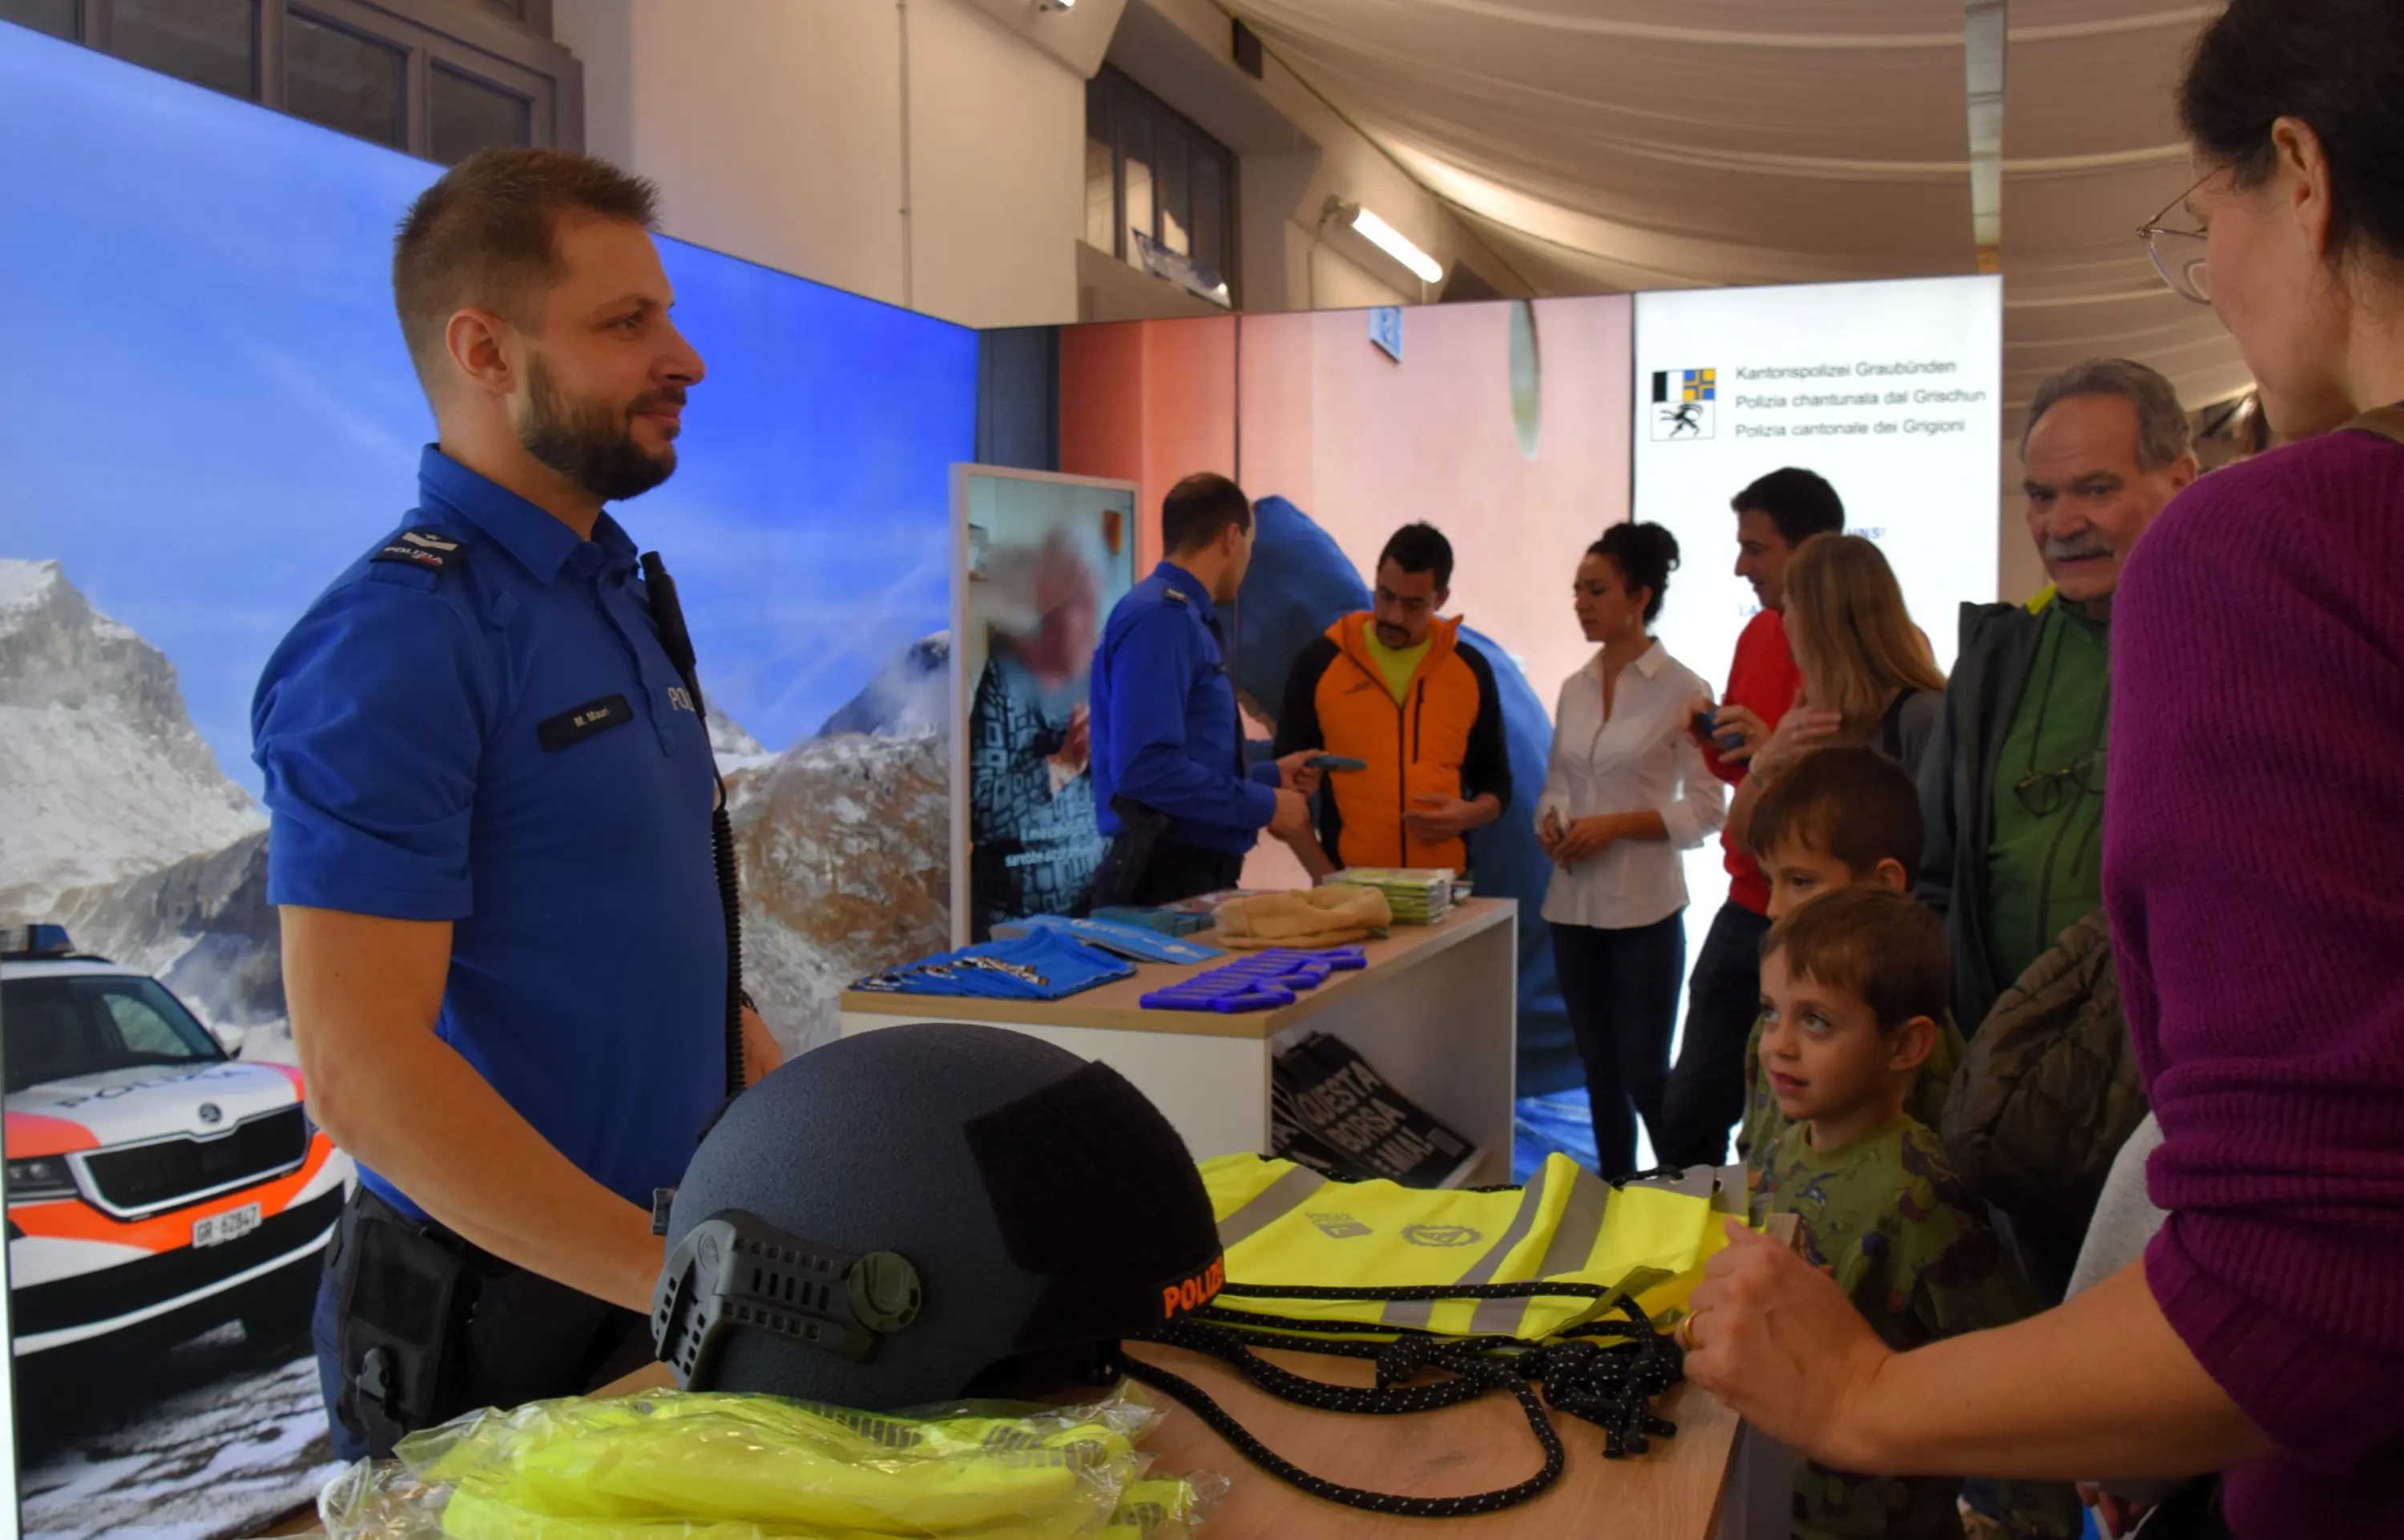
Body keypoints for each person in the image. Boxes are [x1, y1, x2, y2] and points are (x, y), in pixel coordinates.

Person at [1684, 3, 2404, 1532]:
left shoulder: (2275, 551)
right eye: (2040, 494)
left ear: (2299, 174)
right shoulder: (2016, 655)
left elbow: (2303, 1291)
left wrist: (1866, 1397)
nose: (2214, 273)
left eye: (2202, 219)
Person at [251, 150, 783, 1460]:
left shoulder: (610, 594)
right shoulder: (398, 640)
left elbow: (657, 946)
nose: (684, 359)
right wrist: (670, 1277)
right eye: (627, 323)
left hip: (660, 1278)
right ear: (484, 350)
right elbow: (362, 1072)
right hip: (500, 1321)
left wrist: (816, 1154)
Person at [1743, 887, 2077, 1540]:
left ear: (1905, 1046)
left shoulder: (1921, 1198)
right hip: (1781, 1497)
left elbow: (2008, 1382)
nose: (1778, 1044)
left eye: (1816, 1021)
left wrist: (2031, 1522)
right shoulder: (1785, 1149)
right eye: (1771, 1012)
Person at [1917, 359, 2196, 1033]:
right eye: (2041, 497)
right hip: (1995, 1055)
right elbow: (1934, 880)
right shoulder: (1992, 663)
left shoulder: (2247, 648)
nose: (2061, 524)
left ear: (2181, 482)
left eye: (2096, 490)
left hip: (2173, 1058)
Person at [1656, 467, 1843, 1171]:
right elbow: (1743, 773)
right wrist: (1718, 740)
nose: (1741, 567)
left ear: (1811, 550)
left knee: (1789, 1127)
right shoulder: (1759, 632)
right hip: (1744, 905)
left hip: (1820, 918)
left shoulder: (1856, 650)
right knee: (1688, 1110)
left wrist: (1773, 756)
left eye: (1756, 549)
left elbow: (1862, 800)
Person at [1535, 522, 1724, 1176]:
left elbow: (1708, 809)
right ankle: (1615, 1194)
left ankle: (1688, 1194)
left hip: (1644, 909)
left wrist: (1614, 826)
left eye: (1597, 590)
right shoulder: (1575, 686)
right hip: (1573, 907)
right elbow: (1557, 783)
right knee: (1598, 1071)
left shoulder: (1684, 688)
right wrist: (1551, 824)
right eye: (1577, 590)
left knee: (1646, 1072)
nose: (1582, 603)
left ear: (1639, 597)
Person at [1087, 473, 1319, 905]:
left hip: (1187, 873)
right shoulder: (1163, 619)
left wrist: (1271, 774)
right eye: (1250, 544)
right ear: (1231, 538)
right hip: (1165, 877)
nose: (1248, 560)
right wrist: (1265, 804)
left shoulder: (1179, 616)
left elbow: (1190, 754)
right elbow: (1147, 768)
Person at [1732, 746, 1963, 1167]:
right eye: (1770, 882)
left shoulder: (1903, 1027)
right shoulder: (1782, 1009)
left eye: (1801, 881)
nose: (1774, 909)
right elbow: (1758, 1142)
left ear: (1884, 883)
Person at [1272, 522, 1512, 879]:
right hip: (1349, 886)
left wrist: (1468, 815)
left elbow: (1496, 785)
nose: (1393, 616)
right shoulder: (1320, 663)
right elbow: (1283, 787)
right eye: (1385, 596)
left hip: (1445, 890)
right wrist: (1327, 879)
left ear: (1441, 599)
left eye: (1413, 604)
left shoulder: (1470, 670)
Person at [1722, 532, 1948, 858]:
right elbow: (1749, 839)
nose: (1783, 622)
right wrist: (1768, 759)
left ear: (1819, 621)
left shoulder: (1922, 716)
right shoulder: (1811, 718)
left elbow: (1939, 853)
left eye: (1788, 605)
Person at [967, 530, 1104, 935]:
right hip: (1015, 929)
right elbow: (978, 813)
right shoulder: (1006, 681)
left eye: (1091, 603)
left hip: (1097, 917)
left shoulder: (1104, 673)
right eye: (1074, 603)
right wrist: (1061, 765)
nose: (1087, 621)